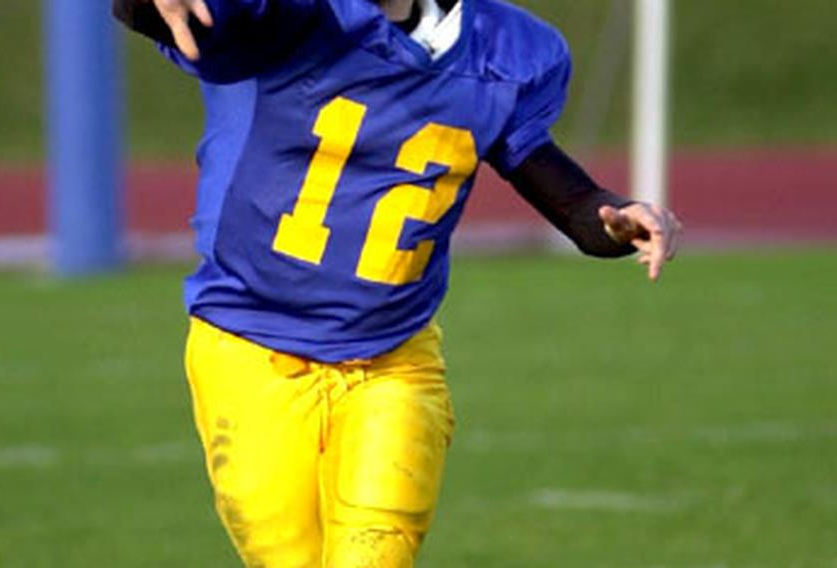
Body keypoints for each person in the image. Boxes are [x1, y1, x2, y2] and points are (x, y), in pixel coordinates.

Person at [113, 0, 682, 565]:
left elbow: (564, 193)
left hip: (392, 358)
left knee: (373, 556)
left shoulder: (502, 52)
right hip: (249, 347)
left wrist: (614, 217)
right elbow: (165, 14)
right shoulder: (290, 17)